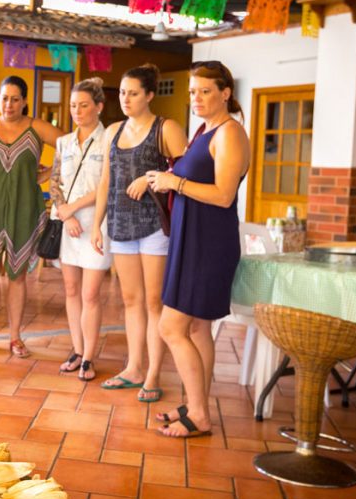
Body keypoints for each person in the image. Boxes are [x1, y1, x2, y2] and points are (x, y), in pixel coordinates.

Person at [146, 60, 249, 438]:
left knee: (170, 326)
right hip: (192, 238)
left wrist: (175, 183)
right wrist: (165, 180)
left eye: (205, 91)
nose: (197, 98)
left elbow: (223, 195)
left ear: (225, 93)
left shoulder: (230, 133)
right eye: (192, 91)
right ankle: (194, 404)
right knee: (199, 329)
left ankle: (201, 415)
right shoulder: (205, 130)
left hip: (209, 243)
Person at [91, 64, 187, 403]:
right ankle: (133, 367)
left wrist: (148, 177)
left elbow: (186, 171)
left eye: (133, 93)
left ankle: (153, 375)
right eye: (122, 92)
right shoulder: (113, 131)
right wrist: (97, 224)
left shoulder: (166, 128)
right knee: (130, 301)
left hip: (154, 226)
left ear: (149, 95)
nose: (126, 98)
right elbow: (106, 180)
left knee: (152, 301)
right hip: (120, 224)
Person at [0, 76, 63, 357]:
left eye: (15, 99)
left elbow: (71, 146)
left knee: (17, 276)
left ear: (25, 101)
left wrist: (48, 172)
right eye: (5, 98)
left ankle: (16, 337)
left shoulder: (35, 127)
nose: (9, 104)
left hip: (24, 210)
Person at [49, 78, 113, 381]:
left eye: (84, 105)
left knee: (90, 294)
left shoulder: (109, 140)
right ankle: (77, 349)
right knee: (71, 290)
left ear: (99, 107)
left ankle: (89, 357)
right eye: (73, 105)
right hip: (69, 223)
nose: (77, 111)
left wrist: (74, 209)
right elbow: (54, 183)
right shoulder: (63, 142)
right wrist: (66, 215)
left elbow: (106, 186)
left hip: (96, 224)